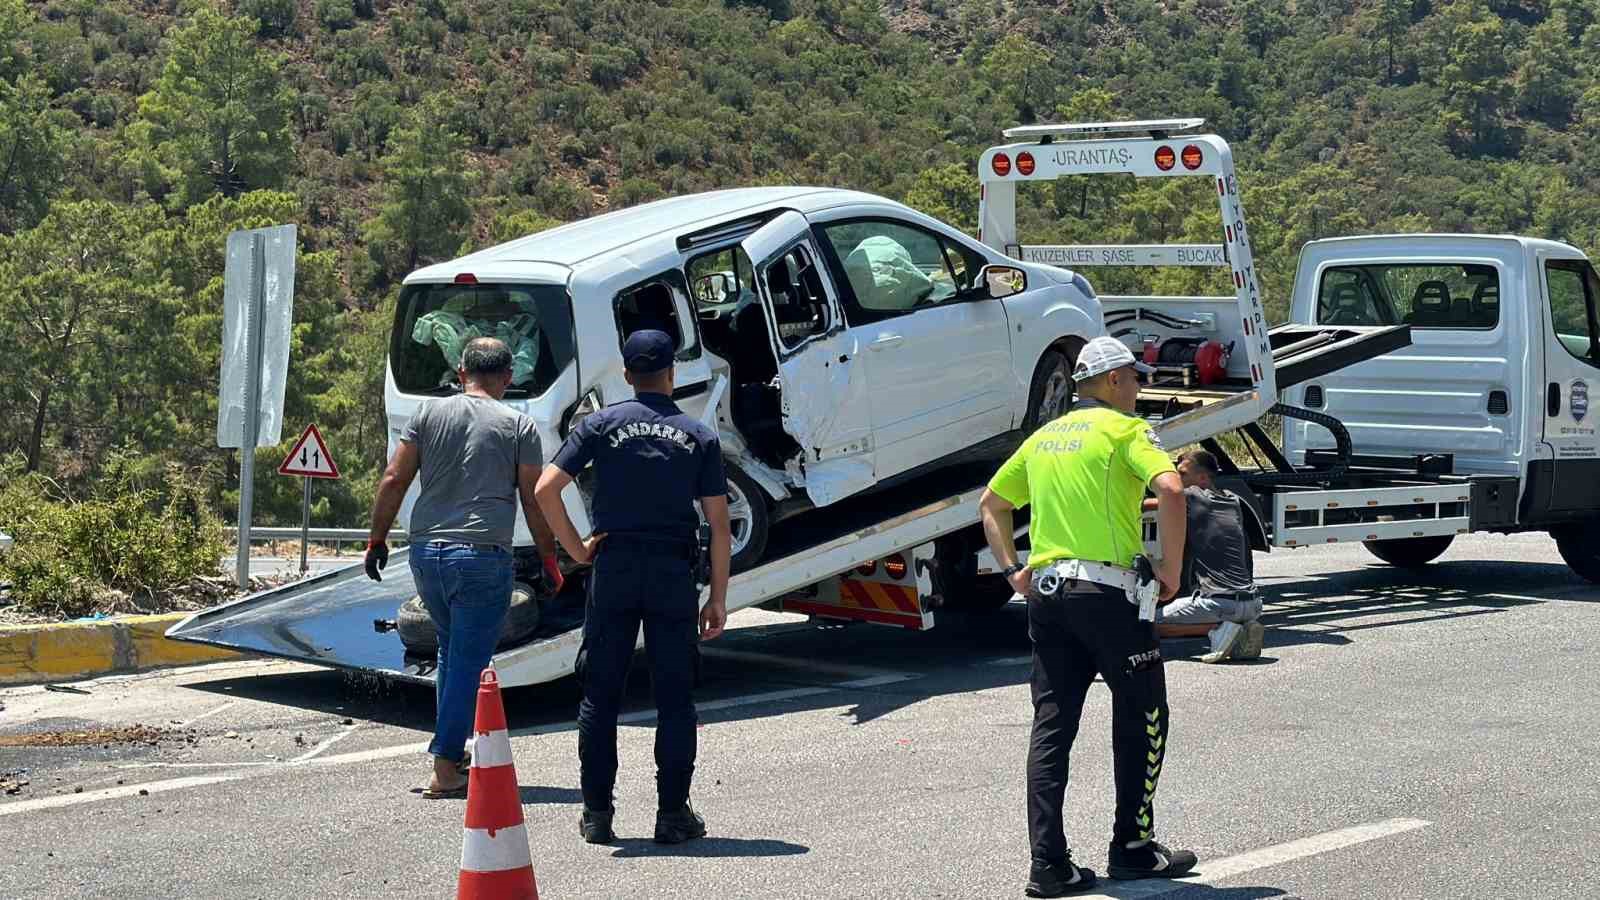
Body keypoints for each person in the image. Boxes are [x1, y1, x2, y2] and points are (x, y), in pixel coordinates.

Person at [979, 336, 1199, 897]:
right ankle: (1133, 847)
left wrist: (1014, 573)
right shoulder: (1127, 431)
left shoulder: (1045, 436)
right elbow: (1172, 488)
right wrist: (1170, 571)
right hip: (1108, 595)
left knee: (1052, 728)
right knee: (1144, 712)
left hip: (1048, 594)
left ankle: (1049, 864)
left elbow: (992, 505)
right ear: (1110, 382)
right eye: (1132, 377)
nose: (1138, 387)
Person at [534, 329, 733, 846]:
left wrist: (576, 551)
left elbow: (544, 489)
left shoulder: (599, 425)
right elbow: (719, 525)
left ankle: (598, 815)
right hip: (671, 573)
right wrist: (718, 597)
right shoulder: (699, 436)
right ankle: (672, 816)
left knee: (600, 695)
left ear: (626, 375)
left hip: (614, 567)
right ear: (672, 374)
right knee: (674, 698)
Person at [364, 337, 564, 799]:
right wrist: (550, 557)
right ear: (508, 378)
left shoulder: (427, 414)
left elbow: (394, 478)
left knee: (451, 654)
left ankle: (451, 756)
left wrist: (377, 538)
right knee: (470, 664)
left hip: (426, 554)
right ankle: (445, 765)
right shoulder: (518, 425)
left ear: (460, 373)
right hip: (478, 558)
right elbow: (534, 502)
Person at [1147, 449, 1265, 663]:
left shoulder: (1192, 496)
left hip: (1221, 605)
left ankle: (1218, 629)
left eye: (1181, 474)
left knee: (1145, 624)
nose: (1175, 479)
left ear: (1202, 478)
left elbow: (1149, 505)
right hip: (1254, 604)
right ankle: (1241, 625)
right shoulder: (1233, 500)